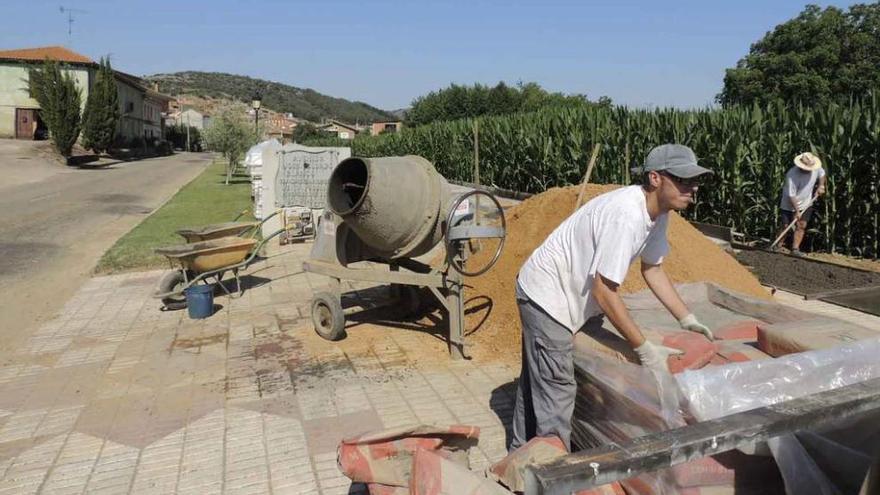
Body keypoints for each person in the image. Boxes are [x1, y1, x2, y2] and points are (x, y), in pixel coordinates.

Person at [509, 143, 714, 452]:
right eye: (683, 180)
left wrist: (687, 318)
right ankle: (551, 475)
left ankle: (520, 457)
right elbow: (604, 292)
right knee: (557, 388)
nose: (693, 188)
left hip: (565, 295)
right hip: (546, 297)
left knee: (538, 381)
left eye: (694, 180)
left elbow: (653, 270)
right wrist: (643, 349)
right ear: (655, 178)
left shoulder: (658, 214)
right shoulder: (626, 215)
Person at [775, 152, 826, 256]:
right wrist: (797, 211)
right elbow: (791, 195)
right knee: (785, 225)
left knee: (801, 225)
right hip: (789, 204)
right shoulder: (792, 175)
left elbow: (822, 173)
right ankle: (777, 246)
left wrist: (821, 186)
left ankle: (795, 249)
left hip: (806, 203)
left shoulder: (815, 168)